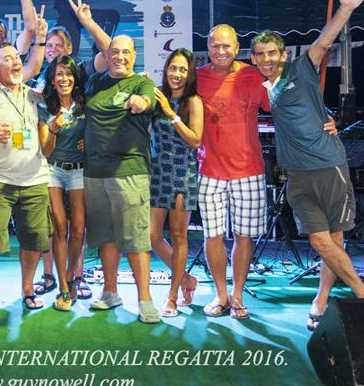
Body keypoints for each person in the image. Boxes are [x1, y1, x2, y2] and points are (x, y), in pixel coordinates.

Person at [250, 0, 364, 331]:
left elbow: (324, 40)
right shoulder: (266, 88)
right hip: (297, 176)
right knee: (321, 242)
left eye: (272, 52)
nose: (267, 58)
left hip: (329, 165)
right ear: (254, 58)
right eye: (260, 54)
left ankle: (321, 299)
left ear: (284, 54)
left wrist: (347, 8)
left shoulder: (301, 69)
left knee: (332, 241)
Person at [0, 37, 50, 321]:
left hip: (35, 179)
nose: (16, 62)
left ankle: (28, 290)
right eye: (8, 58)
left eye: (17, 58)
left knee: (33, 240)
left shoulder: (33, 95)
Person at [83, 35, 161, 323]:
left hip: (129, 171)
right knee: (105, 235)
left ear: (134, 56)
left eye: (126, 52)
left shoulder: (142, 83)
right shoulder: (96, 82)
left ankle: (145, 299)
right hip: (94, 172)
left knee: (136, 238)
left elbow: (148, 101)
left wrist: (140, 102)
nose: (119, 56)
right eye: (114, 51)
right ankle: (110, 292)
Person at [196, 24, 270, 320]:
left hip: (249, 170)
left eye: (227, 46)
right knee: (212, 236)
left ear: (237, 48)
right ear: (208, 46)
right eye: (216, 45)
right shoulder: (196, 77)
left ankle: (237, 294)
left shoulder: (253, 75)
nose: (221, 51)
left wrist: (323, 120)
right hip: (209, 170)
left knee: (243, 236)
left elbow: (285, 105)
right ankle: (220, 294)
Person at [149, 49, 203, 317]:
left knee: (179, 235)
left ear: (189, 73)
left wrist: (171, 112)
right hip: (158, 171)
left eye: (183, 69)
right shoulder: (157, 95)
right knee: (153, 236)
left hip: (183, 171)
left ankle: (171, 297)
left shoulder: (193, 101)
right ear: (166, 69)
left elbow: (195, 140)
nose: (177, 74)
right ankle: (185, 280)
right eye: (173, 68)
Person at [39, 55, 87, 311]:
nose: (64, 78)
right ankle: (64, 288)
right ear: (52, 79)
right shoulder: (45, 106)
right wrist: (54, 129)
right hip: (52, 171)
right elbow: (45, 151)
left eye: (68, 74)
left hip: (79, 170)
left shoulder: (84, 104)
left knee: (78, 228)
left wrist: (88, 143)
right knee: (59, 227)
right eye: (59, 74)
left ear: (75, 78)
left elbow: (96, 133)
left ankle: (71, 274)